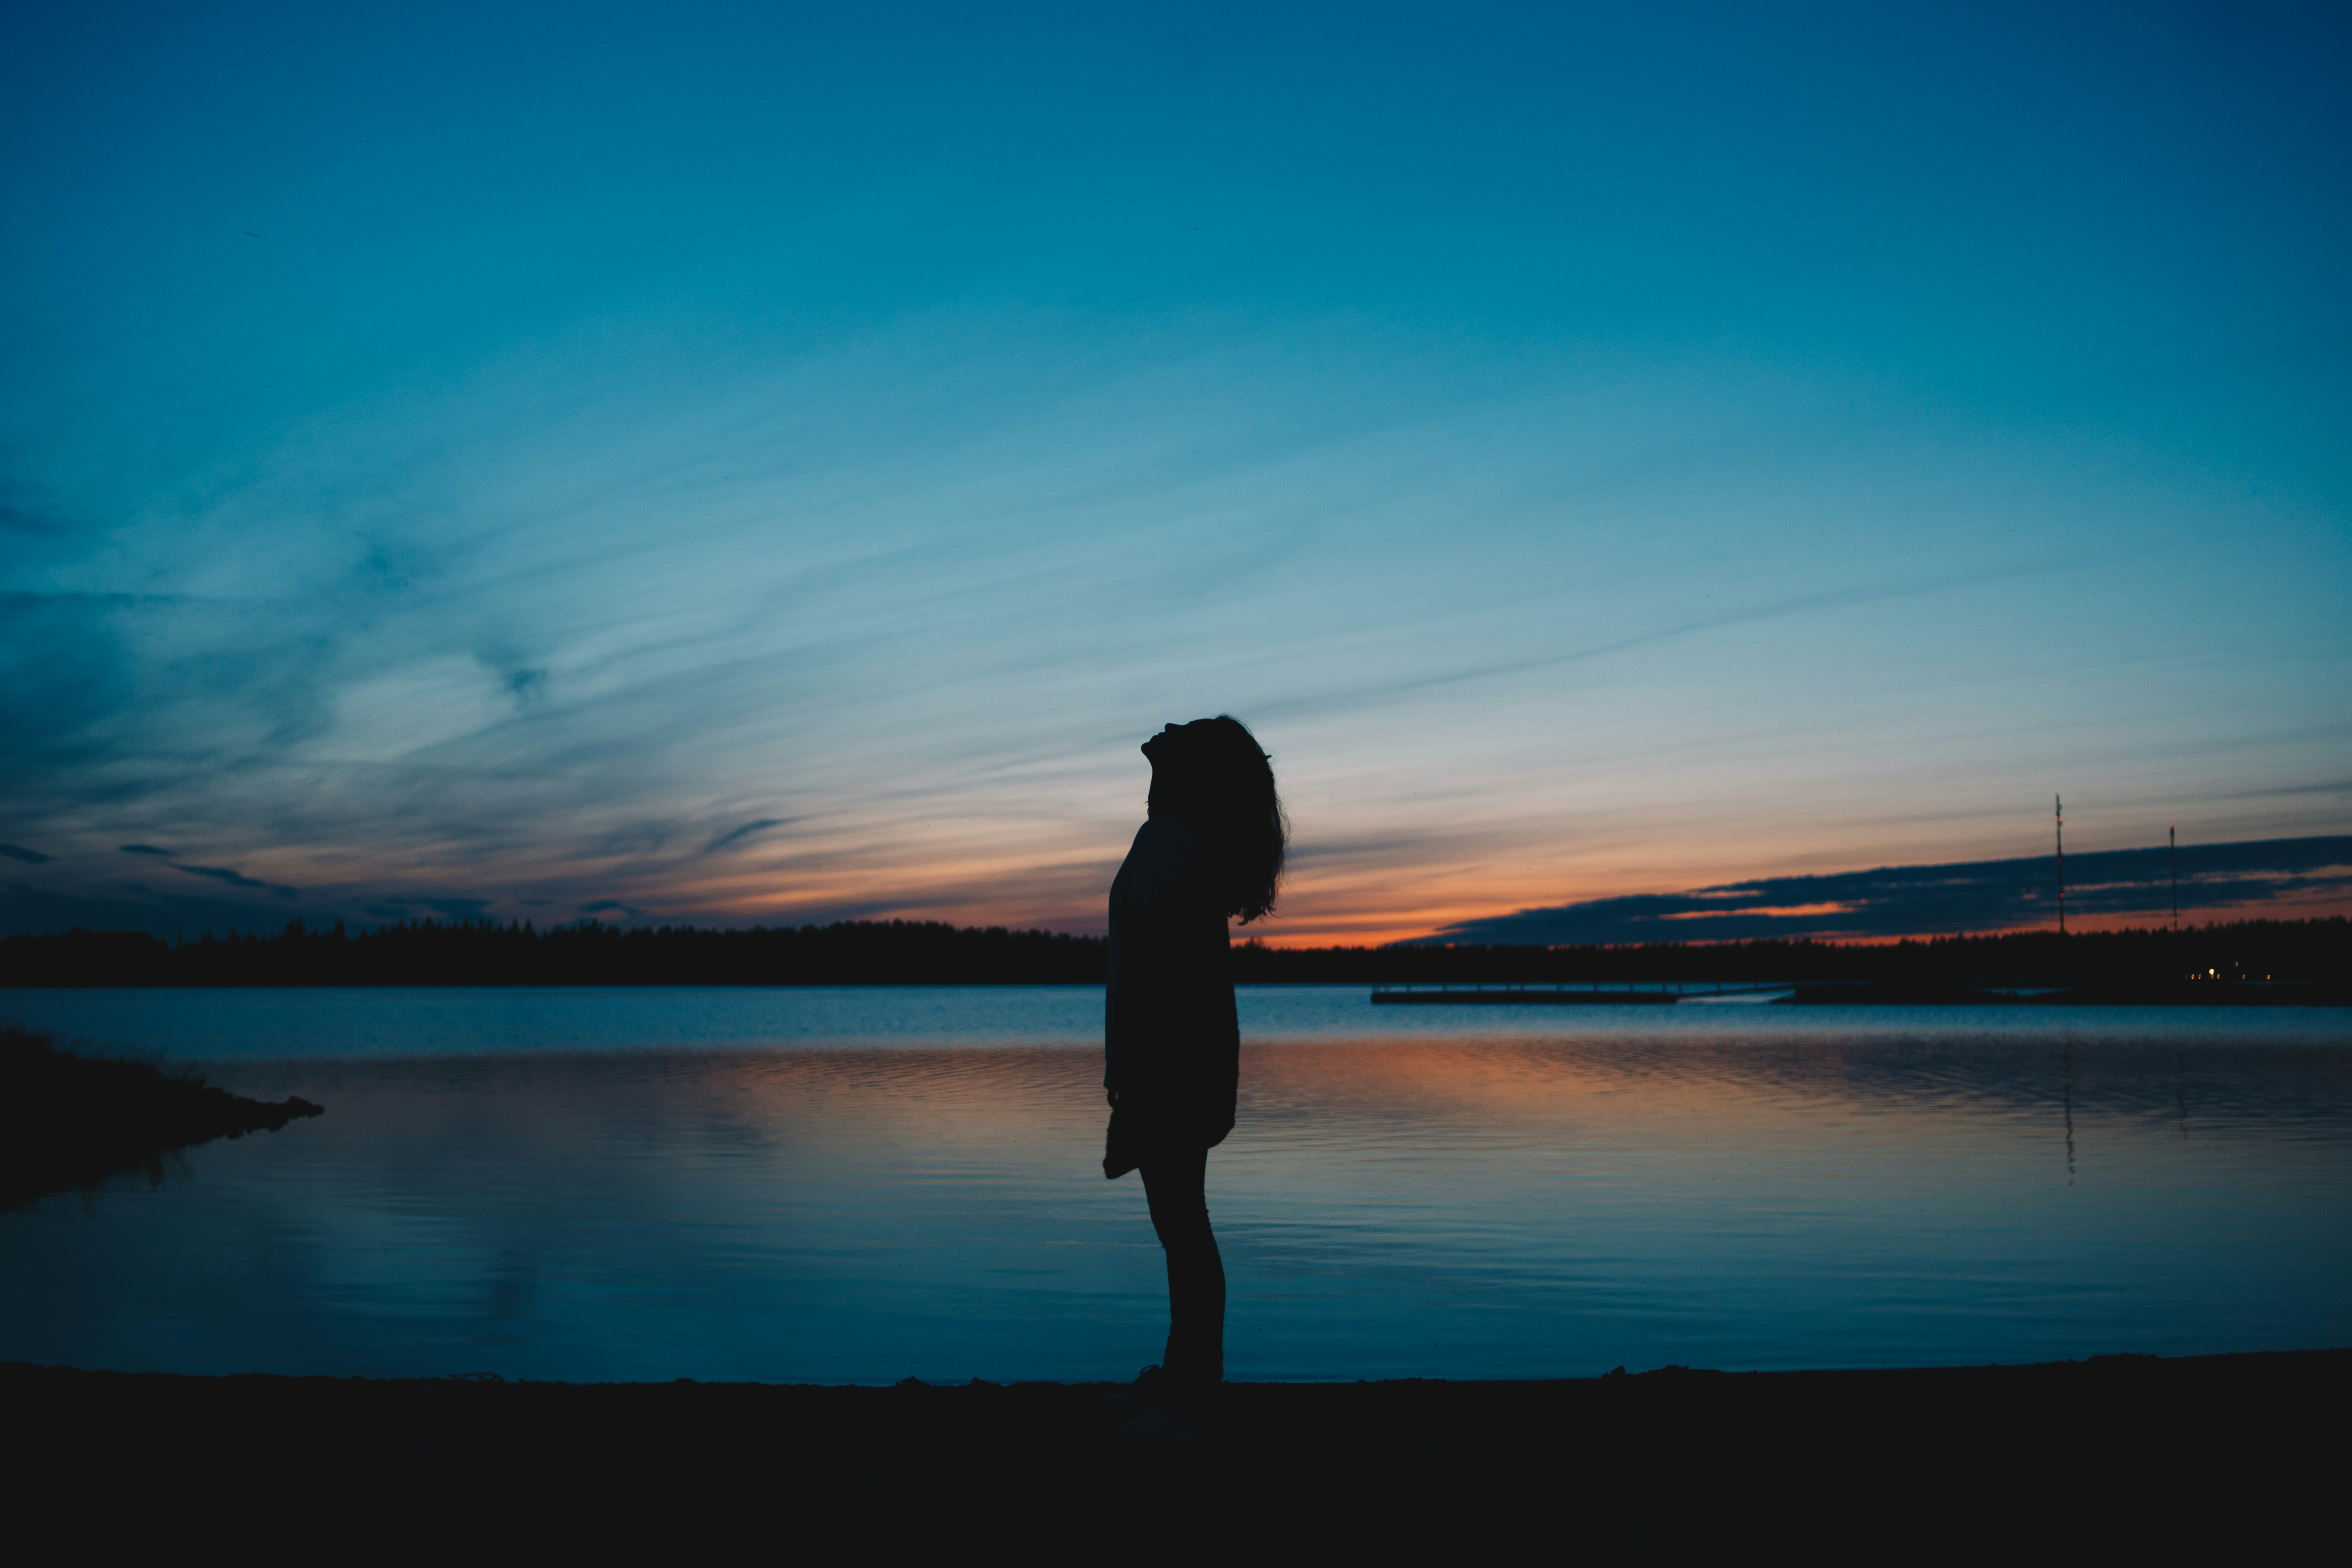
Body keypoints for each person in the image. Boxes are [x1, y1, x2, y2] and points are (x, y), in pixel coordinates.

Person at [1100, 715, 1286, 1442]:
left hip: (1172, 1064)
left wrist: (1137, 1073)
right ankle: (1185, 1382)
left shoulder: (1170, 841)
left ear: (1189, 774)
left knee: (1182, 1226)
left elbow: (1158, 970)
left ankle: (1192, 1398)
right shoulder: (1180, 841)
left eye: (1189, 731)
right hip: (1183, 1060)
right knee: (1181, 1225)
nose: (1170, 725)